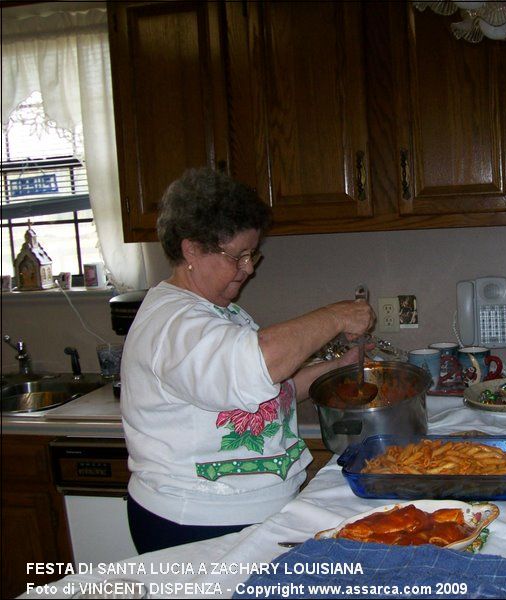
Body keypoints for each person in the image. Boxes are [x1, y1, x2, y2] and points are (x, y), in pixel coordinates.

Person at [120, 167, 375, 553]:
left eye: (251, 254)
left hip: (246, 515)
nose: (249, 267)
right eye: (237, 256)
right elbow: (261, 361)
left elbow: (266, 389)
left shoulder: (218, 311)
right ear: (191, 249)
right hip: (197, 525)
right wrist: (337, 315)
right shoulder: (173, 323)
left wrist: (339, 367)